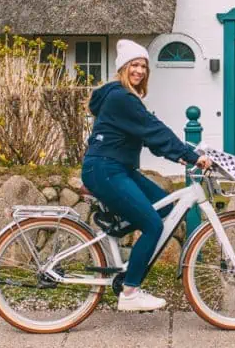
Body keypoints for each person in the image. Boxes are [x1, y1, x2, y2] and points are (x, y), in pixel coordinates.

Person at [81, 39, 212, 312]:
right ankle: (130, 292)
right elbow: (154, 129)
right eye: (134, 65)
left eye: (143, 66)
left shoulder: (125, 99)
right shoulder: (121, 97)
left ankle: (116, 226)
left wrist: (183, 153)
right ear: (123, 68)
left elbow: (151, 138)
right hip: (106, 169)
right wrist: (190, 156)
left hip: (116, 168)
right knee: (153, 225)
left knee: (165, 208)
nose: (139, 70)